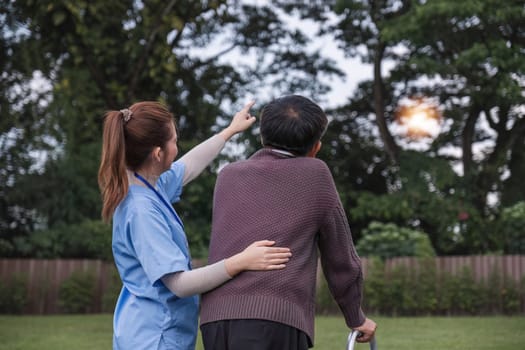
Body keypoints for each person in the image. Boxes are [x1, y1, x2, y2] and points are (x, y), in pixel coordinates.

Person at [97, 100, 292, 350]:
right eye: (175, 141)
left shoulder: (148, 184)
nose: (177, 148)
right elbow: (180, 284)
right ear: (158, 153)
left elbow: (187, 167)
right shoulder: (142, 210)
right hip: (154, 339)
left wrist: (229, 132)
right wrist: (241, 261)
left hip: (154, 333)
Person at [200, 95, 377, 349]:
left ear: (262, 137)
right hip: (274, 319)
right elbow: (340, 257)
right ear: (315, 147)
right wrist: (354, 316)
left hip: (215, 319)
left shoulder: (227, 175)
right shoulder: (315, 173)